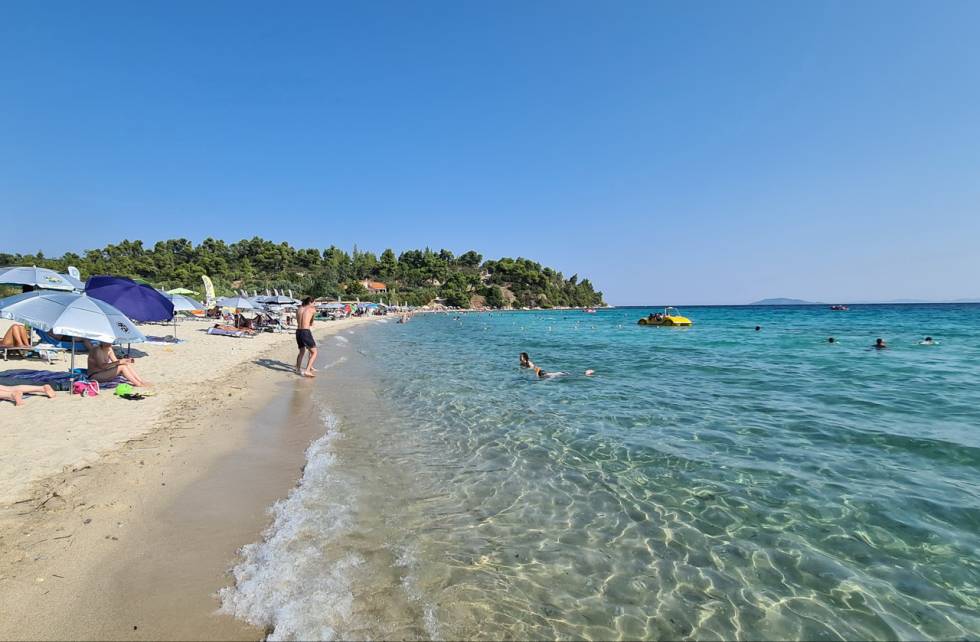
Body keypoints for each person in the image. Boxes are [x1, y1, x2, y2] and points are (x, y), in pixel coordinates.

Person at [84, 340, 150, 387]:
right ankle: (138, 384)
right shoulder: (97, 350)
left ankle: (140, 381)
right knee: (122, 367)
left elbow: (115, 361)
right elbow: (102, 366)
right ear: (101, 341)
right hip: (95, 375)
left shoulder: (109, 349)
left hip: (104, 372)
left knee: (125, 364)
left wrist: (125, 360)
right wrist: (119, 362)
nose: (109, 342)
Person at [295, 296, 318, 377]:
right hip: (305, 332)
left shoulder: (298, 309)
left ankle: (298, 369)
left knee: (302, 351)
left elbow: (298, 321)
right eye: (314, 303)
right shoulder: (312, 309)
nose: (314, 305)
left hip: (298, 331)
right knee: (314, 352)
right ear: (310, 302)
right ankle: (307, 370)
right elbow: (311, 323)